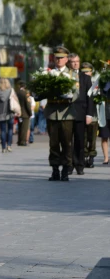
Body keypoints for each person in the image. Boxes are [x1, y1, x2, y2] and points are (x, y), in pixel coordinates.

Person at [45, 46, 93, 181]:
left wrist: (67, 95)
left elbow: (77, 93)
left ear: (66, 59)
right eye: (56, 57)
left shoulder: (74, 75)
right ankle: (55, 169)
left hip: (67, 113)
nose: (58, 60)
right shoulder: (48, 73)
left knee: (67, 143)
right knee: (53, 144)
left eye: (61, 58)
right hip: (52, 113)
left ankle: (66, 169)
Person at [81, 63, 98, 167]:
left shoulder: (96, 82)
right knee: (83, 137)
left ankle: (91, 157)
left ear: (91, 72)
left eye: (88, 71)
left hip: (94, 115)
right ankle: (84, 156)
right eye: (84, 72)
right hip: (82, 114)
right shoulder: (80, 83)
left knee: (92, 138)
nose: (86, 73)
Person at [0, 78, 14, 153]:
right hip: (10, 113)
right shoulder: (11, 91)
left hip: (0, 113)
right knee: (10, 129)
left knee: (3, 130)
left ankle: (3, 147)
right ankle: (9, 145)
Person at [16, 81, 33, 147]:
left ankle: (19, 140)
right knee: (24, 128)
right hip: (25, 113)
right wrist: (30, 113)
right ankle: (23, 141)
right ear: (24, 86)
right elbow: (27, 104)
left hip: (19, 112)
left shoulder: (17, 93)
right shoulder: (25, 93)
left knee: (20, 127)